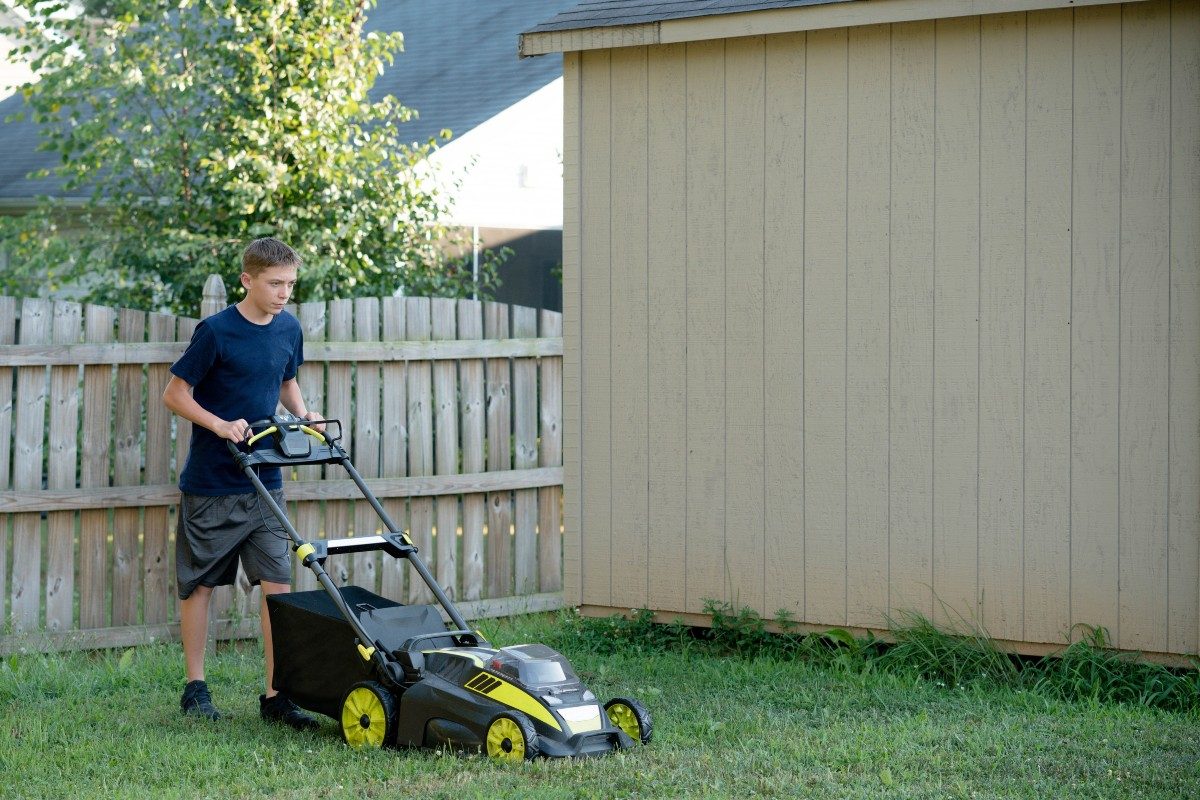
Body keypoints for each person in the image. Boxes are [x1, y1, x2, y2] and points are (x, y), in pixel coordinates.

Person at [163, 237, 322, 729]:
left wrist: (304, 413)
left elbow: (285, 380)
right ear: (247, 280)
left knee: (278, 586)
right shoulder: (215, 332)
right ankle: (195, 688)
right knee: (201, 586)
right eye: (275, 284)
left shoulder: (289, 328)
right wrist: (217, 423)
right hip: (212, 482)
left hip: (265, 481)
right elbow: (175, 393)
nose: (284, 294)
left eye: (291, 285)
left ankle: (276, 694)